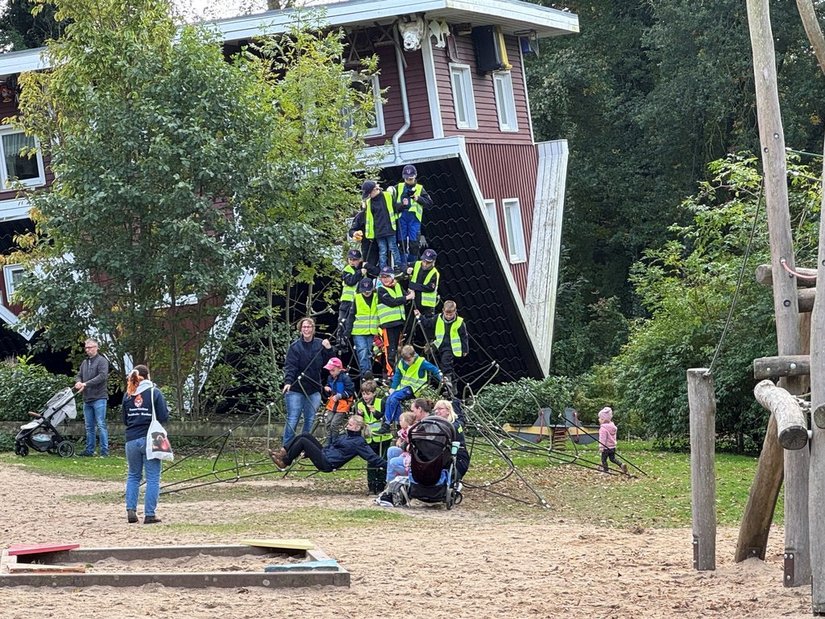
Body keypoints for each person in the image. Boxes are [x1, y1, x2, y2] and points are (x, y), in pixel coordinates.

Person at [122, 364, 169, 524]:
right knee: (153, 477)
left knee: (133, 475)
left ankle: (131, 509)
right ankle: (149, 514)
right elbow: (163, 416)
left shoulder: (128, 394)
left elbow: (125, 419)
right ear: (148, 376)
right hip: (150, 438)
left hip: (131, 439)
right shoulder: (154, 392)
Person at [268, 414, 387, 473]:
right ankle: (284, 451)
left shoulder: (359, 442)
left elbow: (371, 457)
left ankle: (285, 462)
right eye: (348, 424)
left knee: (303, 441)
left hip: (328, 462)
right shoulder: (346, 435)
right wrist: (310, 453)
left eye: (350, 425)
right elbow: (332, 446)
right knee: (305, 435)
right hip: (325, 453)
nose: (347, 426)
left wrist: (388, 465)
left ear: (357, 428)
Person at [282, 317, 333, 445]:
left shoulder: (320, 344)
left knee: (310, 420)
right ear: (300, 329)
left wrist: (328, 349)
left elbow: (331, 364)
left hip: (314, 389)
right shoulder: (295, 347)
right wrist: (288, 382)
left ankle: (304, 446)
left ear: (313, 329)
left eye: (309, 327)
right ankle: (286, 448)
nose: (306, 329)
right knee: (293, 419)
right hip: (296, 389)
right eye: (304, 327)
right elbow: (290, 366)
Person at [378, 344, 443, 434]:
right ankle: (399, 423)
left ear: (413, 356)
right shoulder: (401, 363)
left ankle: (387, 424)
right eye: (405, 360)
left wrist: (442, 378)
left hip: (414, 388)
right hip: (402, 388)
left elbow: (434, 369)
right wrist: (393, 387)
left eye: (409, 360)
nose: (407, 362)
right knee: (390, 398)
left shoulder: (421, 362)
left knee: (394, 398)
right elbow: (397, 376)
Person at [415, 299, 468, 385]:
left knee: (445, 361)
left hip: (451, 346)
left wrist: (465, 349)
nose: (448, 316)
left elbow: (464, 336)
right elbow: (428, 323)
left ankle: (447, 378)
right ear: (443, 311)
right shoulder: (438, 318)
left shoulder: (460, 322)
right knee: (435, 358)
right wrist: (420, 316)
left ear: (455, 311)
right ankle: (452, 383)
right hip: (439, 344)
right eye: (447, 314)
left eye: (451, 314)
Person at [356, 379, 393, 494]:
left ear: (374, 393)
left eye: (368, 394)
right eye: (363, 394)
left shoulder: (381, 402)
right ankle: (371, 485)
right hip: (369, 438)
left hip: (383, 437)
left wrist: (375, 412)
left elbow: (386, 418)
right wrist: (359, 415)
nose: (365, 396)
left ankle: (381, 484)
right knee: (371, 461)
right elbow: (359, 421)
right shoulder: (360, 404)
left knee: (382, 461)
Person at [74, 338, 110, 457]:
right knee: (89, 426)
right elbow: (79, 375)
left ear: (96, 348)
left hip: (99, 397)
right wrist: (78, 382)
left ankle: (104, 451)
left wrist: (85, 384)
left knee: (101, 424)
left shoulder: (102, 361)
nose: (87, 350)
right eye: (86, 348)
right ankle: (89, 450)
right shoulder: (85, 362)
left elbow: (102, 376)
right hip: (87, 398)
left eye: (89, 347)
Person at [394, 164, 433, 268]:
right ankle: (403, 266)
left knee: (414, 244)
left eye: (410, 179)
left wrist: (417, 198)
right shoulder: (398, 187)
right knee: (401, 243)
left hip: (414, 220)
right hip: (401, 218)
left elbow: (429, 203)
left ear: (415, 176)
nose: (409, 181)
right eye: (406, 179)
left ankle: (412, 265)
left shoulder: (420, 188)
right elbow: (390, 204)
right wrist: (401, 205)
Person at [361, 180, 402, 270]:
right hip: (378, 231)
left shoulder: (387, 195)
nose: (369, 196)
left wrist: (402, 206)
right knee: (382, 250)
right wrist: (370, 234)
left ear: (374, 190)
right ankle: (383, 268)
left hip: (390, 229)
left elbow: (394, 207)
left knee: (393, 247)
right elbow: (369, 219)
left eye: (369, 193)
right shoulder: (369, 202)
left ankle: (398, 265)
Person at [376, 266, 406, 379]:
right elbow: (392, 302)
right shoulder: (381, 290)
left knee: (399, 349)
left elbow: (405, 296)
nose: (385, 279)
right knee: (390, 350)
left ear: (392, 277)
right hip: (388, 324)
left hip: (399, 322)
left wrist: (407, 296)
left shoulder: (398, 286)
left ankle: (399, 372)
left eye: (387, 277)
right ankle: (391, 373)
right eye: (383, 277)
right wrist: (407, 298)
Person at [433, 398, 470, 479]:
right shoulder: (456, 422)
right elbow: (461, 419)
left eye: (440, 409)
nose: (437, 411)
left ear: (448, 411)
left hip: (457, 461)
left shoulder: (452, 426)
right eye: (435, 409)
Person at [351, 277, 380, 378]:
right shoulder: (357, 298)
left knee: (368, 352)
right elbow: (351, 315)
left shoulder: (377, 297)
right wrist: (346, 331)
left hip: (372, 331)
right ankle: (366, 372)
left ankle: (368, 373)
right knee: (362, 351)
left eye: (368, 290)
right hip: (358, 331)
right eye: (364, 291)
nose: (366, 292)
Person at [323, 357, 355, 437]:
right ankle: (329, 440)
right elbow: (329, 386)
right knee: (328, 423)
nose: (331, 372)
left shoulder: (345, 378)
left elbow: (350, 391)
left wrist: (340, 396)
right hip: (332, 404)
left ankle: (334, 441)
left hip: (343, 405)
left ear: (339, 369)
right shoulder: (330, 377)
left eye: (333, 370)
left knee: (334, 424)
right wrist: (327, 388)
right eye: (330, 370)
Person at [405, 248, 440, 316]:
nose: (425, 264)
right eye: (424, 261)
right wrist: (406, 269)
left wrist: (412, 286)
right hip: (414, 302)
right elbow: (404, 266)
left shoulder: (435, 273)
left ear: (433, 262)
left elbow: (430, 288)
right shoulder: (417, 264)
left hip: (427, 306)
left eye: (428, 262)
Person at [385, 411, 417, 482]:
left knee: (393, 462)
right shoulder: (403, 431)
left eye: (401, 420)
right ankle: (390, 479)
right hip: (405, 451)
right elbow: (400, 439)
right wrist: (399, 440)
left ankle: (406, 476)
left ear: (407, 421)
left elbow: (409, 443)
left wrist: (402, 443)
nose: (399, 422)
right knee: (391, 450)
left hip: (410, 454)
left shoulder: (411, 430)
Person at [598, 406, 628, 474]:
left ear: (603, 420)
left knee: (603, 460)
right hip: (613, 447)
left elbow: (602, 439)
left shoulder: (603, 429)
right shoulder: (612, 427)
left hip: (606, 447)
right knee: (612, 459)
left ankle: (606, 471)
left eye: (600, 418)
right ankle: (621, 464)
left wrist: (601, 447)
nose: (599, 419)